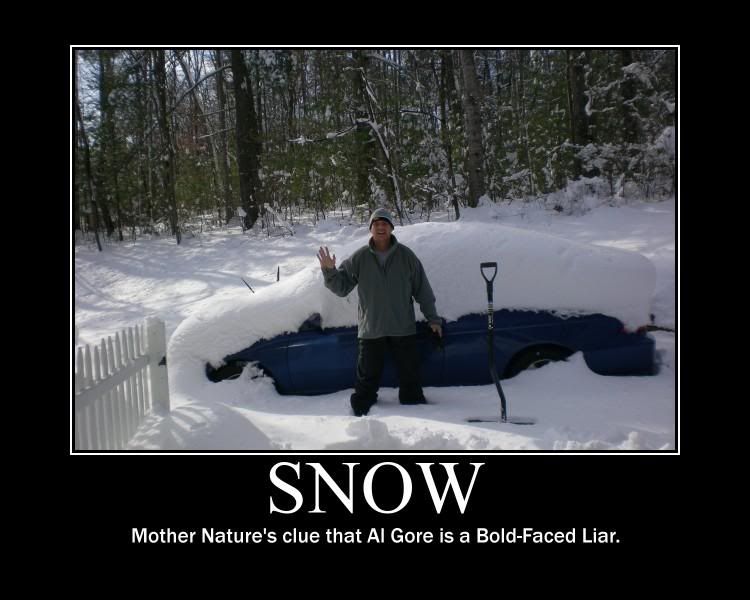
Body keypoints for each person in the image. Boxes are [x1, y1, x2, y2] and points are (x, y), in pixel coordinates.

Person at [317, 207, 442, 416]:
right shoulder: (360, 257)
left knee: (410, 378)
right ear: (371, 228)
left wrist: (433, 320)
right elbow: (342, 287)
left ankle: (418, 416)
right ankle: (360, 417)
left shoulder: (406, 256)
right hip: (371, 329)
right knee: (366, 380)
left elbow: (423, 291)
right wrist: (329, 271)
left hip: (402, 327)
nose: (380, 227)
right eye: (376, 224)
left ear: (391, 228)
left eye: (385, 223)